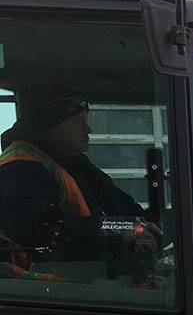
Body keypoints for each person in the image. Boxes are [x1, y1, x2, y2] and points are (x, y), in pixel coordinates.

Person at [0, 85, 156, 282]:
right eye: (78, 122)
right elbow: (47, 231)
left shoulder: (73, 163)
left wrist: (146, 225)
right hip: (43, 292)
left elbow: (124, 207)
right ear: (51, 126)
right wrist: (125, 227)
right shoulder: (19, 166)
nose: (88, 129)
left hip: (82, 280)